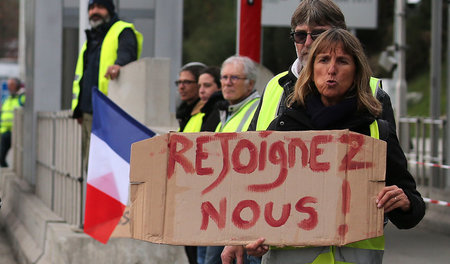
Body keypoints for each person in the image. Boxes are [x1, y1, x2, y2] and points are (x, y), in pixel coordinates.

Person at [232, 28, 426, 264]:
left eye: (342, 61)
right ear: (312, 69)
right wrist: (250, 238)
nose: (332, 69)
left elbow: (412, 208)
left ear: (356, 72)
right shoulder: (283, 129)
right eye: (323, 60)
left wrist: (403, 203)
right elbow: (255, 200)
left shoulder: (377, 132)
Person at [247, 0, 396, 132]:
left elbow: (392, 161)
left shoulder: (374, 93)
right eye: (300, 35)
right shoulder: (275, 86)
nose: (308, 43)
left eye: (318, 34)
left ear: (339, 35)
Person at [71, 0, 143, 174]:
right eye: (92, 8)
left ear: (110, 10)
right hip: (89, 113)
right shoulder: (91, 40)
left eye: (100, 7)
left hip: (111, 112)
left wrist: (119, 65)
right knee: (92, 169)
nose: (95, 11)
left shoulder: (122, 30)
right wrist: (78, 110)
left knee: (107, 170)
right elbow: (83, 77)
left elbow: (127, 53)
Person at [215, 56, 260, 133]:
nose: (227, 83)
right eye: (225, 77)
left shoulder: (258, 108)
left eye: (234, 77)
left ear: (250, 84)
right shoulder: (225, 111)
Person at [183, 66, 224, 133]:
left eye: (207, 85)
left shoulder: (221, 112)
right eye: (199, 86)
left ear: (220, 86)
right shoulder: (202, 110)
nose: (201, 91)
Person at [0, 78, 25, 167]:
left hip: (17, 131)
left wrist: (23, 92)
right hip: (4, 132)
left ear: (17, 86)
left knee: (19, 157)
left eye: (11, 85)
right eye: (8, 85)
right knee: (1, 158)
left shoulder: (21, 98)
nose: (9, 87)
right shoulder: (6, 99)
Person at [176, 62, 207, 132]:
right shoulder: (185, 114)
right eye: (179, 82)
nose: (181, 87)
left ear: (199, 84)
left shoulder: (205, 113)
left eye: (187, 82)